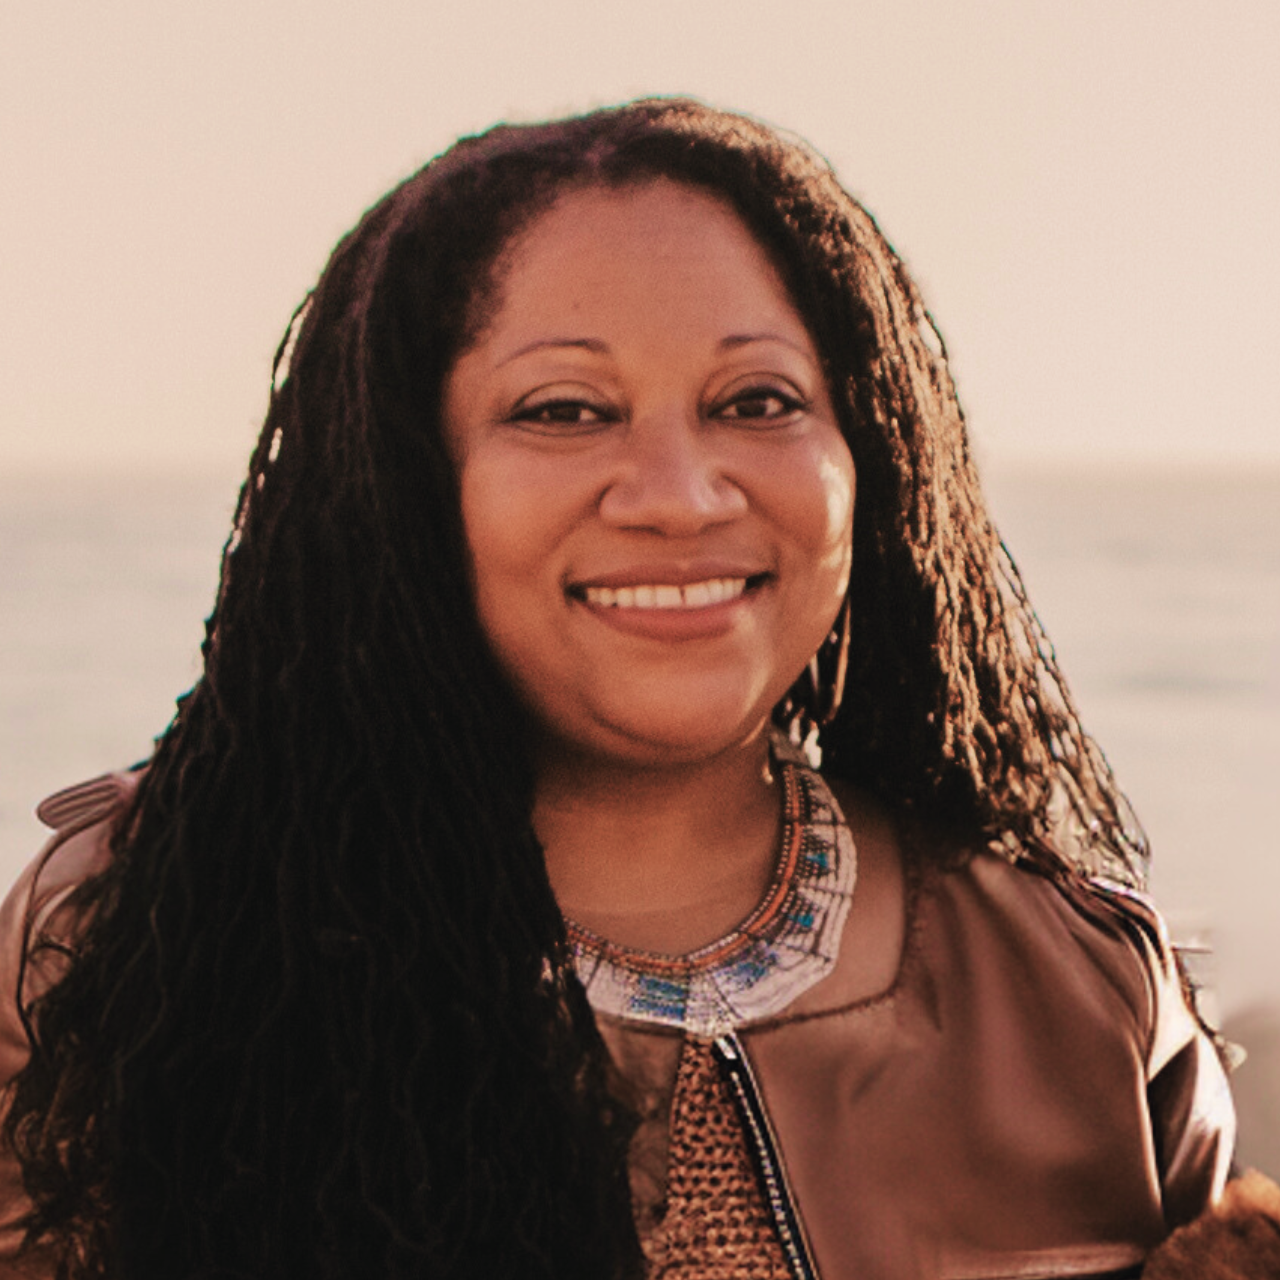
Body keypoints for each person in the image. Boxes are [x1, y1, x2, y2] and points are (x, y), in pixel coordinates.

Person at [0, 98, 1275, 1280]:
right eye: (563, 409)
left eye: (756, 400)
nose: (677, 492)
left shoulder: (1075, 982)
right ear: (399, 483)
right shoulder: (135, 938)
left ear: (871, 454)